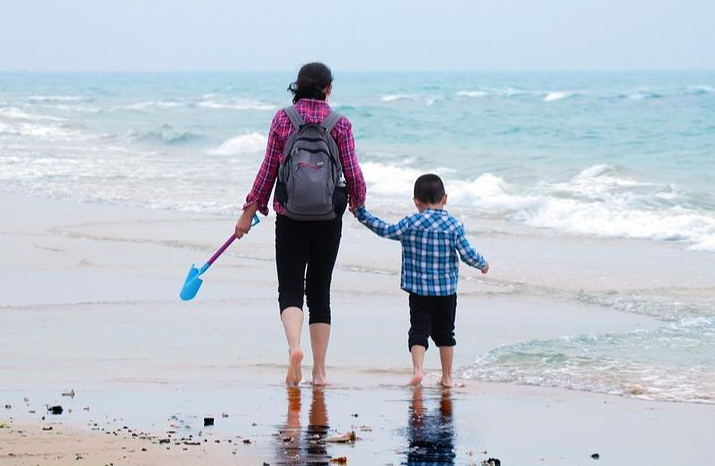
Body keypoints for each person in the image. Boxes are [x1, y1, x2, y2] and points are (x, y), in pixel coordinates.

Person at [235, 62, 366, 386]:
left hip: (290, 216)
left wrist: (250, 210)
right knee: (320, 291)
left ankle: (294, 348)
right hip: (328, 219)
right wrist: (357, 203)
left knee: (290, 287)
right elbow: (353, 173)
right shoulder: (341, 124)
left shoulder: (283, 119)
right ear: (328, 88)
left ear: (298, 86)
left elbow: (268, 170)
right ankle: (319, 372)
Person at [353, 174, 488, 387]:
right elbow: (467, 253)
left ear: (416, 201)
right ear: (445, 198)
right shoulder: (454, 225)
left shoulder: (410, 223)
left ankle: (417, 371)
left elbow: (385, 230)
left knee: (418, 331)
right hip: (446, 293)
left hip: (418, 292)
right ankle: (447, 377)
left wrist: (361, 214)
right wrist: (483, 264)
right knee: (446, 334)